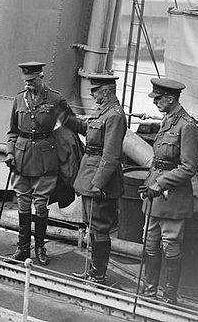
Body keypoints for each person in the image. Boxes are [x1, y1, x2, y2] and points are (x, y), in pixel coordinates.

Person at [5, 61, 73, 265]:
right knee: (23, 203)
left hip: (45, 159)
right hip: (21, 158)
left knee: (41, 205)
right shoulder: (18, 99)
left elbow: (71, 122)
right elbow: (12, 132)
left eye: (32, 81)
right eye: (26, 81)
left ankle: (40, 247)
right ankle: (23, 248)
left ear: (41, 77)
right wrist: (10, 153)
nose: (28, 85)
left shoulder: (55, 99)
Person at [139, 78, 198, 304]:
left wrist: (161, 183)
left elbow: (188, 167)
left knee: (170, 244)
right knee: (150, 242)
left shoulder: (187, 126)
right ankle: (149, 291)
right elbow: (157, 161)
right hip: (154, 196)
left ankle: (169, 297)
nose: (155, 103)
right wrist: (149, 183)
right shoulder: (167, 121)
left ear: (170, 98)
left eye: (158, 99)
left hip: (172, 197)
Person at [65, 73, 126, 284]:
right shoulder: (103, 111)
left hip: (100, 180)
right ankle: (93, 270)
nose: (91, 95)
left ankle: (98, 274)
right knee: (92, 225)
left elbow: (110, 155)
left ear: (106, 91)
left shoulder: (115, 115)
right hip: (89, 173)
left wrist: (98, 184)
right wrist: (65, 118)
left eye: (95, 91)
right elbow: (88, 129)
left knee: (99, 227)